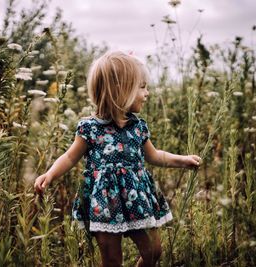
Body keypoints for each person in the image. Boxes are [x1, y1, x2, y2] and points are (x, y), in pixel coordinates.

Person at [34, 51, 201, 267]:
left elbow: (155, 155)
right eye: (142, 87)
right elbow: (69, 157)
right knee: (112, 260)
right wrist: (50, 174)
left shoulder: (138, 127)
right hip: (104, 204)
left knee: (153, 250)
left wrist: (183, 160)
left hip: (137, 199)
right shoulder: (90, 129)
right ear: (121, 90)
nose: (147, 93)